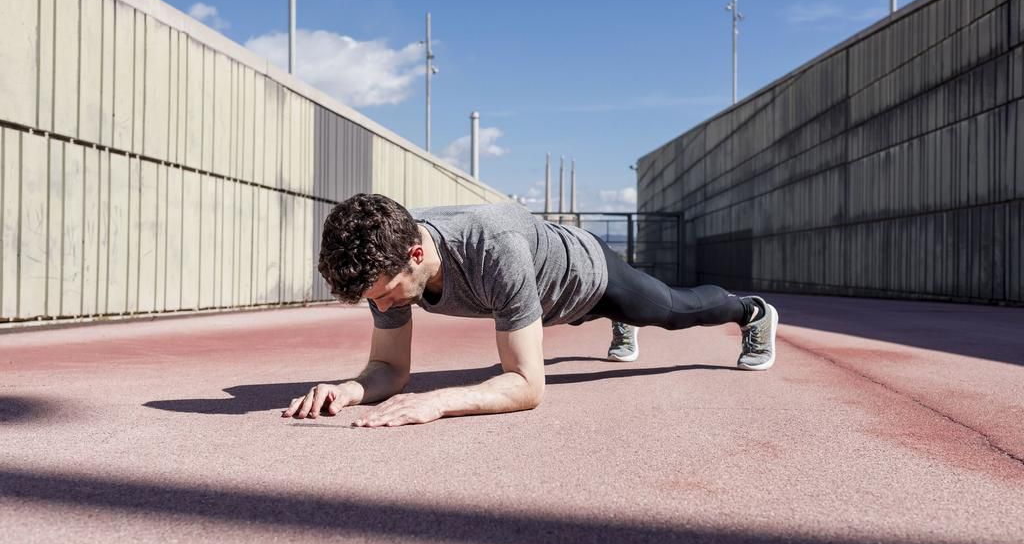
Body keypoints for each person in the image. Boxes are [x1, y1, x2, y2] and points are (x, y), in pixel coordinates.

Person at [283, 194, 778, 427]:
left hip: (588, 280)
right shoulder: (389, 265)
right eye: (372, 300)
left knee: (672, 310)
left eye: (385, 293)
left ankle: (751, 312)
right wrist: (351, 389)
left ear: (416, 255)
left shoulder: (493, 247)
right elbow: (390, 370)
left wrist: (438, 402)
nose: (382, 306)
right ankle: (621, 325)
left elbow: (527, 386)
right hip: (537, 299)